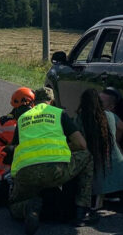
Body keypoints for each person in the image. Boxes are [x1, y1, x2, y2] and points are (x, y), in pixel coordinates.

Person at [7, 87, 97, 234]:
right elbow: (81, 144)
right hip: (55, 171)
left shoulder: (23, 118)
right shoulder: (59, 113)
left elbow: (15, 148)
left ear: (34, 102)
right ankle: (82, 210)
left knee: (14, 206)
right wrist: (63, 148)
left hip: (26, 172)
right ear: (52, 101)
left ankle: (28, 207)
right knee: (87, 156)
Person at [77, 89, 123, 209]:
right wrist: (115, 139)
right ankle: (107, 195)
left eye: (101, 101)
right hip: (116, 166)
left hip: (100, 164)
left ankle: (95, 200)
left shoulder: (85, 117)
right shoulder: (111, 116)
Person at [0, 87, 35, 186]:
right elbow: (23, 142)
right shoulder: (9, 123)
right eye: (33, 104)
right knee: (11, 150)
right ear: (26, 104)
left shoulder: (16, 119)